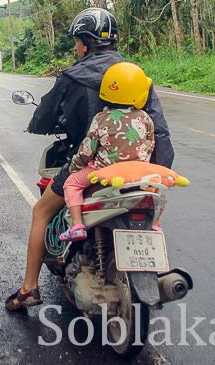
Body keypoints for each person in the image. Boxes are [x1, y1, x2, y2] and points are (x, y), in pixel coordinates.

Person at [5, 7, 174, 311]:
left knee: (41, 212)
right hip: (138, 172)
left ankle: (29, 288)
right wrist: (158, 170)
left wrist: (42, 124)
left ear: (84, 42)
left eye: (76, 42)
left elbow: (44, 116)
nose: (76, 47)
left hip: (91, 165)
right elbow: (160, 130)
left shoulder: (73, 75)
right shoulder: (136, 77)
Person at [59, 62, 155, 242]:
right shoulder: (145, 117)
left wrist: (75, 167)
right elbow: (150, 144)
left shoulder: (102, 118)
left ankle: (77, 225)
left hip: (104, 172)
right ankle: (155, 224)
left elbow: (87, 149)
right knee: (154, 191)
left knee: (72, 184)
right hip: (138, 172)